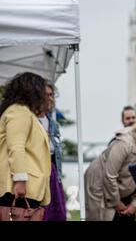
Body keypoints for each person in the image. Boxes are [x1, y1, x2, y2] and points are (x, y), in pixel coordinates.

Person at [0, 72, 51, 211]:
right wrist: (20, 180)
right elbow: (16, 147)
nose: (47, 98)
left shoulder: (22, 112)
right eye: (43, 93)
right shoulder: (19, 111)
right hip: (19, 188)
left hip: (25, 187)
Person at [37, 84, 67, 221]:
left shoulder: (53, 124)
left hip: (53, 174)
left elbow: (55, 154)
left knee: (57, 214)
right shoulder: (30, 121)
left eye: (51, 95)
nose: (49, 98)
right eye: (46, 94)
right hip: (37, 174)